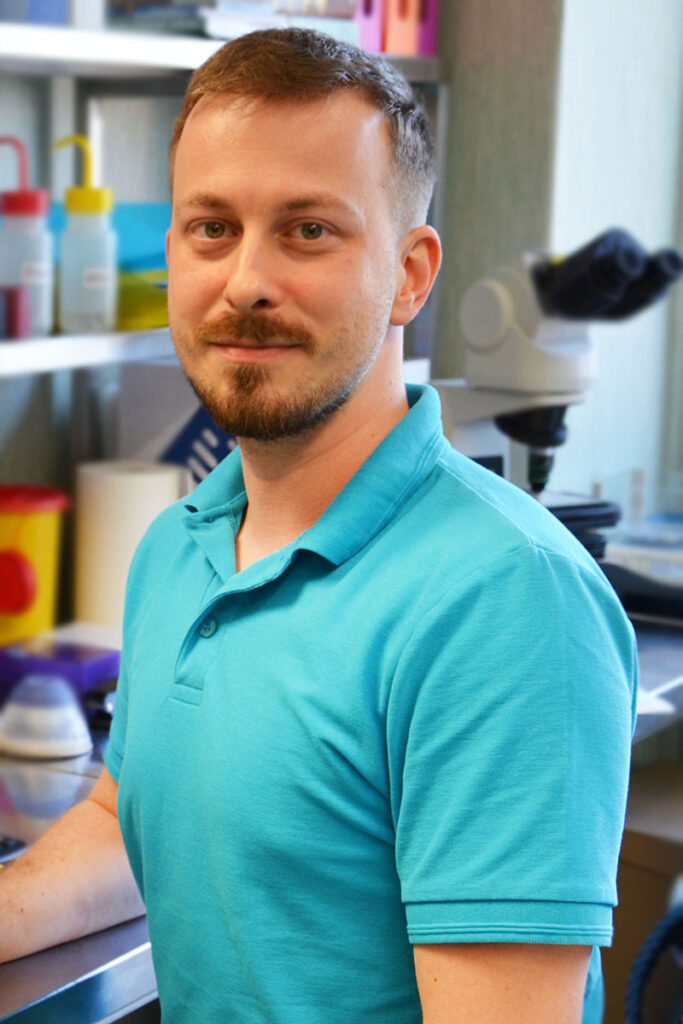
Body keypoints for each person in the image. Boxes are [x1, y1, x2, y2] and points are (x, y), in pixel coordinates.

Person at [0, 28, 636, 1024]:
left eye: (307, 230)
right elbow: (131, 818)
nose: (245, 281)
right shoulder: (178, 546)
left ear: (410, 274)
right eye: (211, 228)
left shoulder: (506, 602)